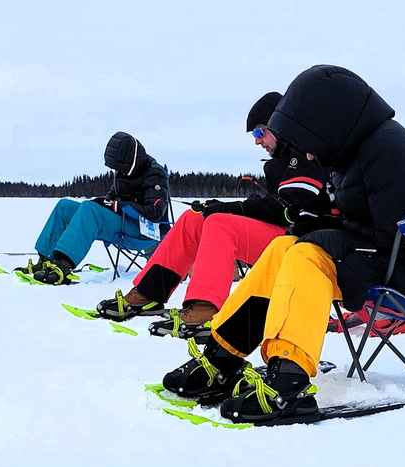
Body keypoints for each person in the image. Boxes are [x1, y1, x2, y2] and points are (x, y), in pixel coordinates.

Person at [159, 65, 405, 424]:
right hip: (397, 255)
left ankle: (289, 378)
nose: (308, 152)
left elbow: (395, 234)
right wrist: (320, 225)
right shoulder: (359, 151)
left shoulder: (389, 151)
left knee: (307, 257)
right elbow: (368, 226)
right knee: (283, 248)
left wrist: (325, 233)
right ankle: (223, 356)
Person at [94, 92, 333, 328]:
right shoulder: (282, 161)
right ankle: (148, 293)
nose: (257, 141)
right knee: (194, 218)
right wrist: (222, 207)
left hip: (303, 245)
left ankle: (205, 307)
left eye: (260, 133)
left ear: (280, 125)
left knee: (219, 224)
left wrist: (231, 208)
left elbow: (286, 208)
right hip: (280, 236)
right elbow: (273, 205)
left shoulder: (307, 155)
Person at [20, 132, 169, 285]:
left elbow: (155, 213)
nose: (117, 170)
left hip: (144, 232)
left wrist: (120, 206)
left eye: (118, 167)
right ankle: (45, 260)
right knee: (64, 207)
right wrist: (105, 202)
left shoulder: (155, 174)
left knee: (90, 210)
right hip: (123, 221)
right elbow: (112, 196)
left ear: (129, 160)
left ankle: (63, 265)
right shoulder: (126, 170)